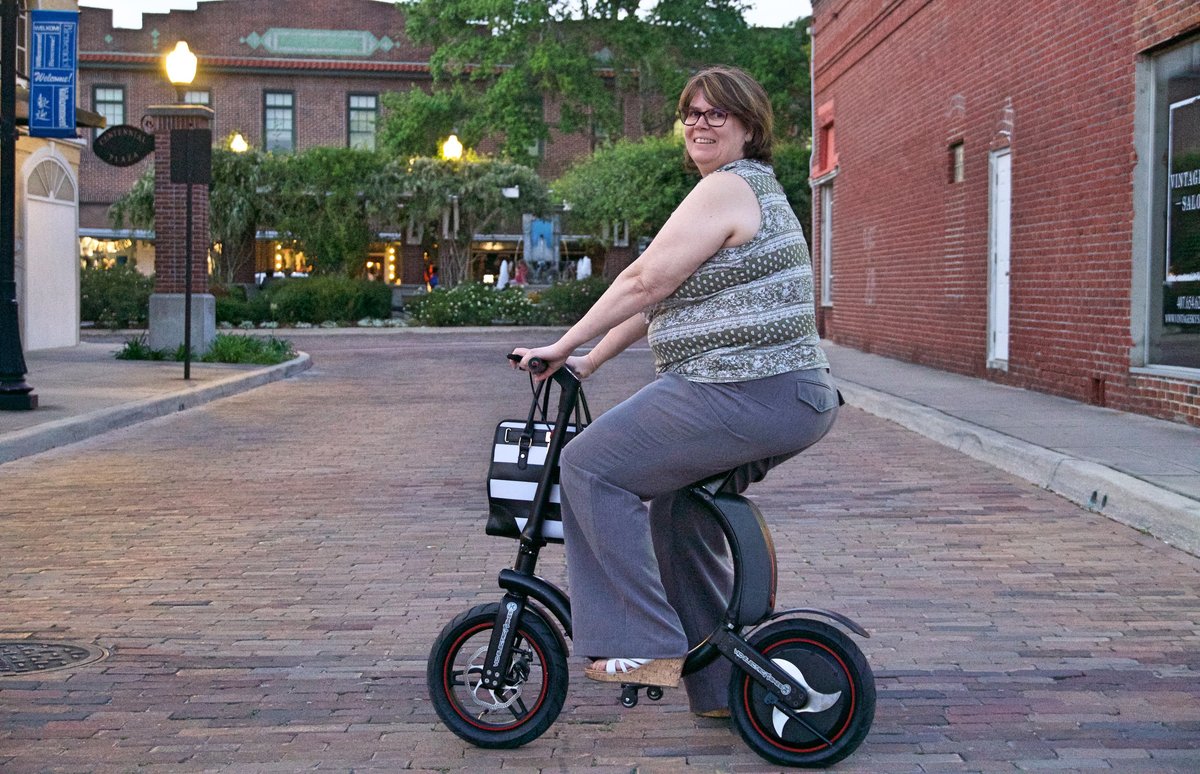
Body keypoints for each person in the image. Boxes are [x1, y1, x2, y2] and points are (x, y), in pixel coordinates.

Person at [511, 65, 839, 718]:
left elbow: (643, 282)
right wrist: (586, 360)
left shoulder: (726, 188)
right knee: (675, 513)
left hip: (748, 390)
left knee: (589, 466)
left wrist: (556, 341)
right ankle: (721, 691)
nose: (700, 123)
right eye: (691, 113)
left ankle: (645, 641)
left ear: (749, 126)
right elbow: (661, 300)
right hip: (785, 396)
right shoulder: (747, 191)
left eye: (717, 113)